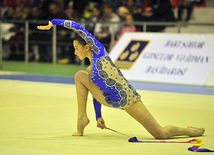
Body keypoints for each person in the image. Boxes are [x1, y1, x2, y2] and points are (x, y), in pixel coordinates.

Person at [37, 19, 205, 139]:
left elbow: (79, 28)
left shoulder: (99, 52)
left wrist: (54, 22)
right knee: (80, 76)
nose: (75, 52)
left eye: (76, 48)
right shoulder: (90, 69)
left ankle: (188, 130)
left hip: (128, 99)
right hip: (109, 100)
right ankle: (82, 118)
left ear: (87, 46)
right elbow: (97, 93)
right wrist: (98, 116)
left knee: (159, 134)